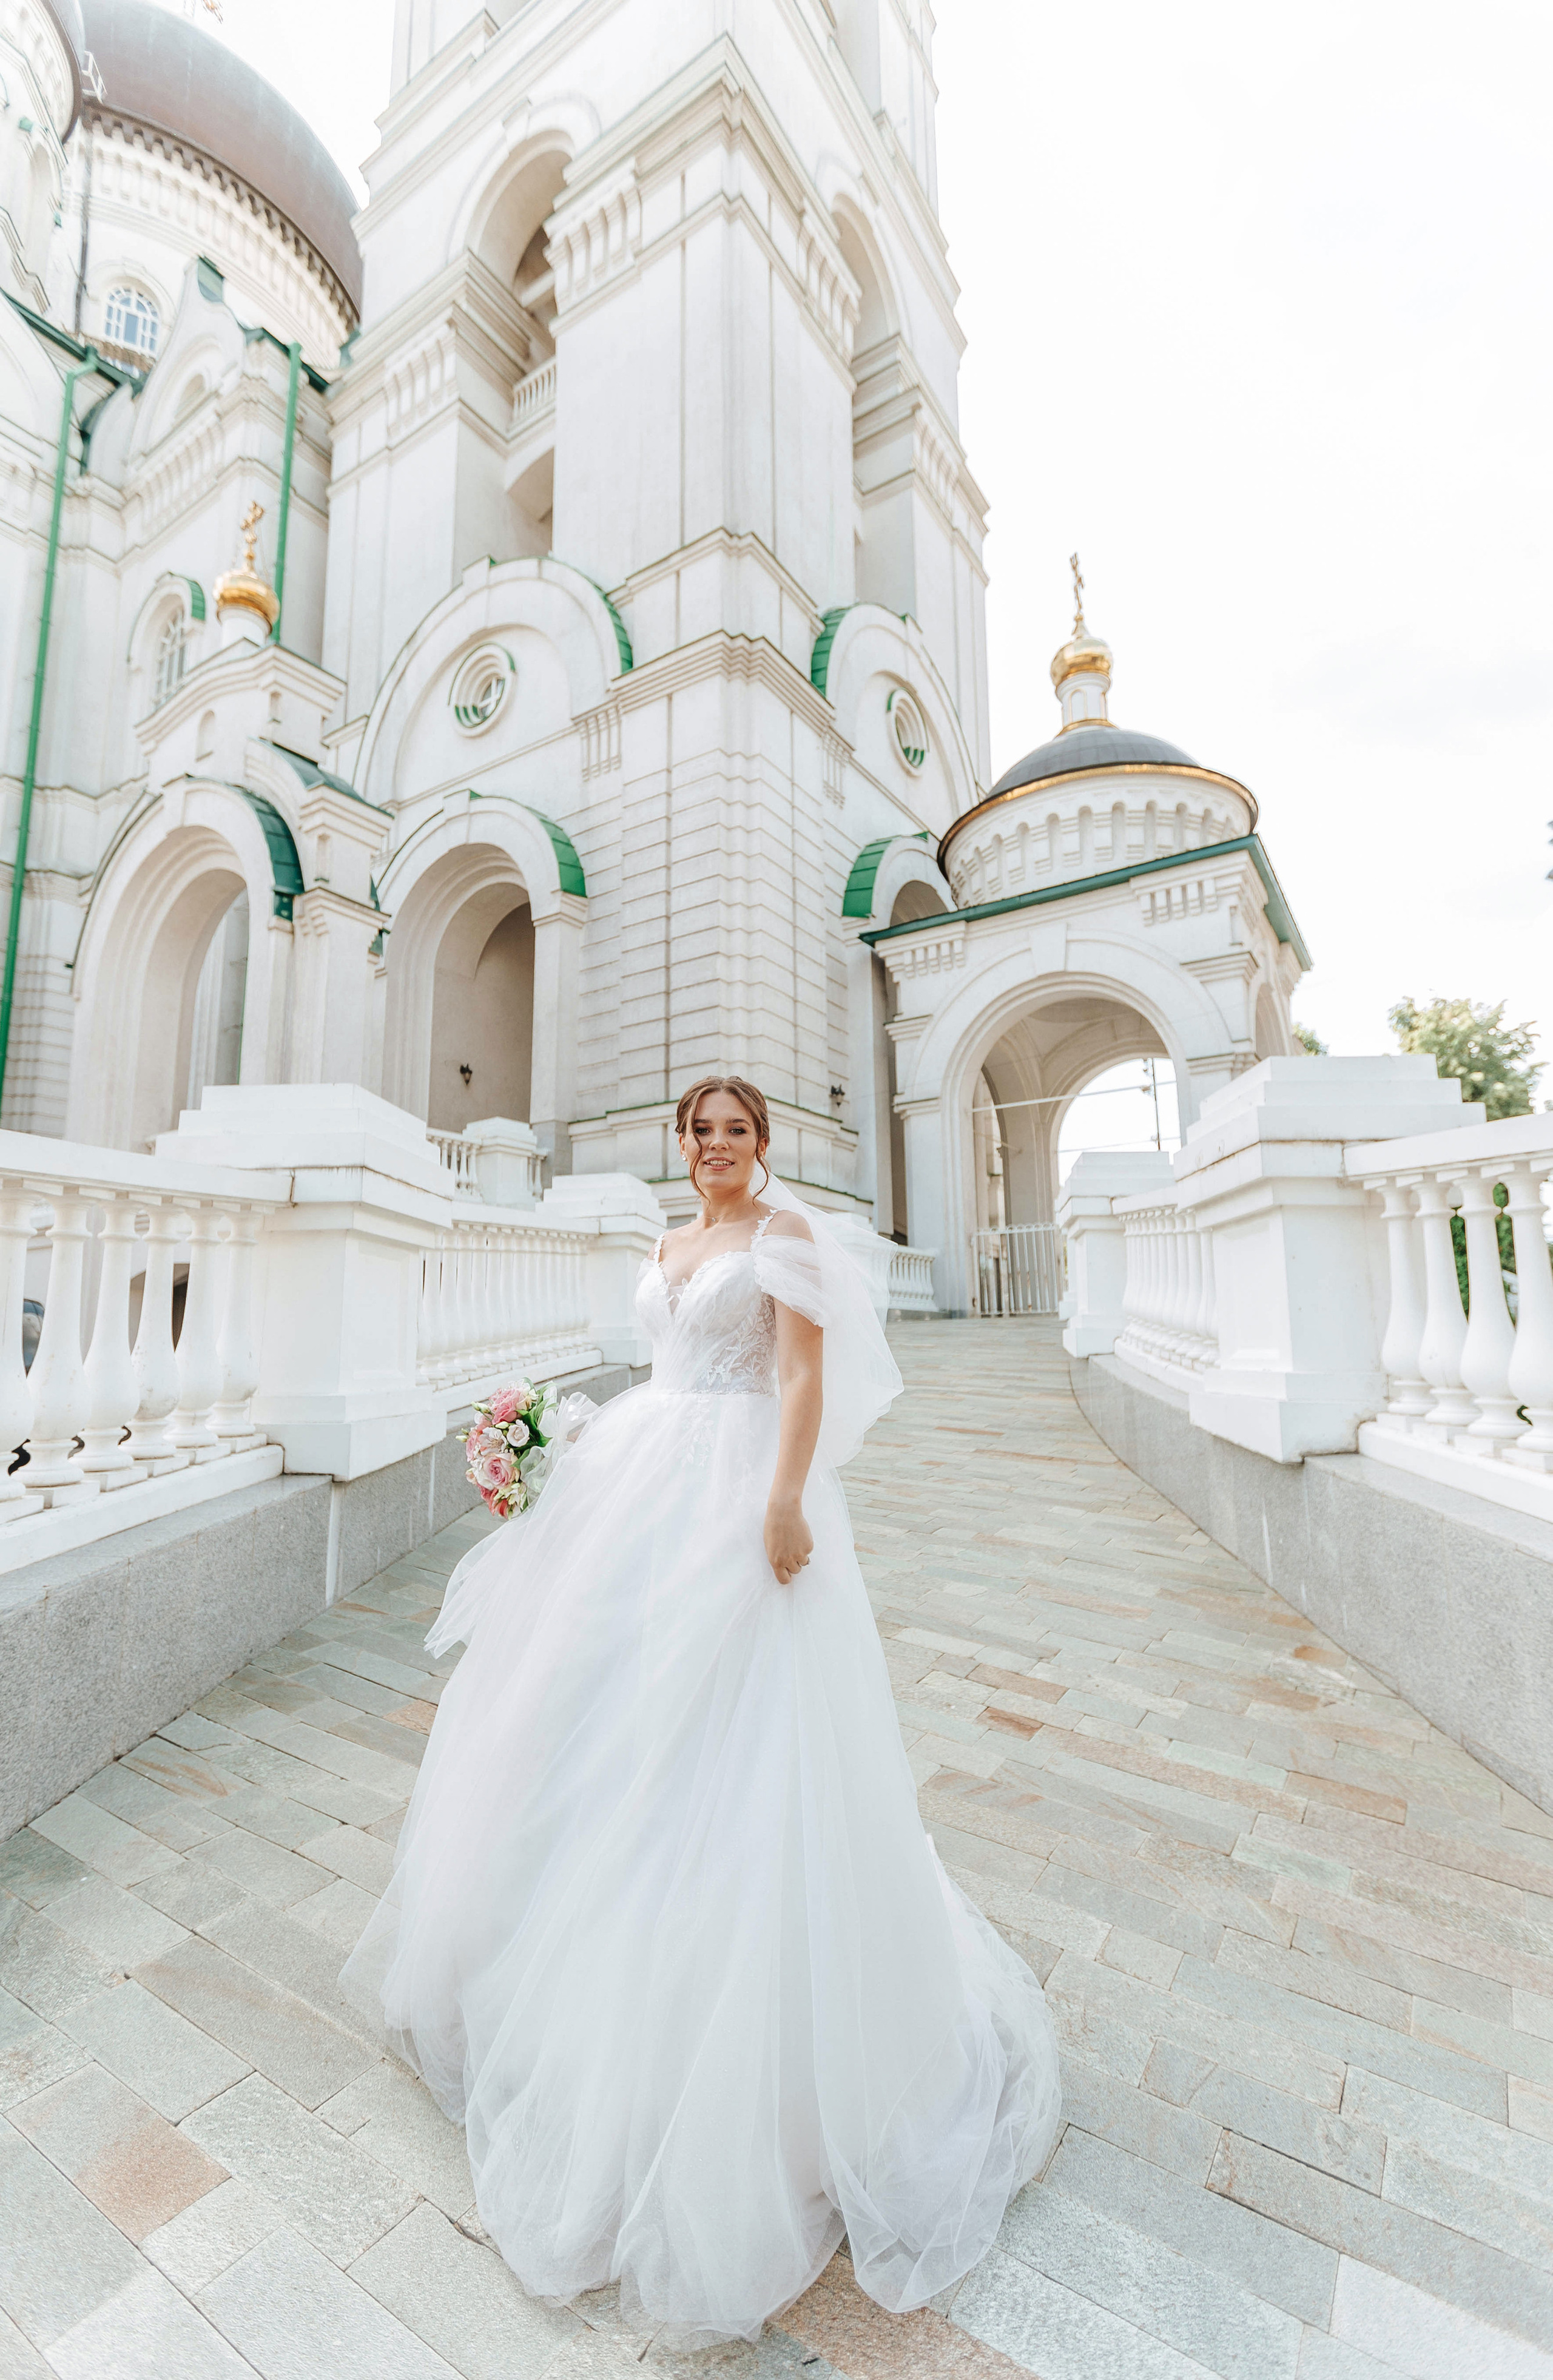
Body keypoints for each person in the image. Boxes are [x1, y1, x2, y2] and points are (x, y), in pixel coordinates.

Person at [340, 1075, 1061, 2345]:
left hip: (734, 1490)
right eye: (701, 1132)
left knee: (736, 1731)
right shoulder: (666, 1245)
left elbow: (797, 1382)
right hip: (636, 1479)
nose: (717, 1147)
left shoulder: (783, 1240)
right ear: (681, 1146)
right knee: (588, 1716)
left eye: (736, 1132)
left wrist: (781, 1502)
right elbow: (654, 1362)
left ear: (761, 1146)